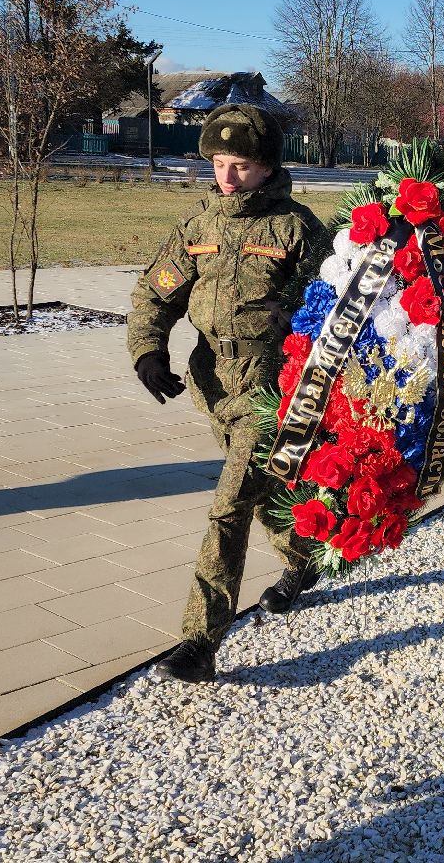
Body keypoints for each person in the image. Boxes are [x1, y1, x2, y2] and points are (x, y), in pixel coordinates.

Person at [128, 103, 332, 683]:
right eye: (219, 163)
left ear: (267, 167)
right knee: (265, 493)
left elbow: (331, 312)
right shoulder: (199, 226)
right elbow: (155, 293)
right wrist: (147, 350)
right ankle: (307, 558)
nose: (227, 177)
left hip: (273, 391)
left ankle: (200, 640)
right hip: (214, 384)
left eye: (240, 165)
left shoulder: (295, 229)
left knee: (229, 507)